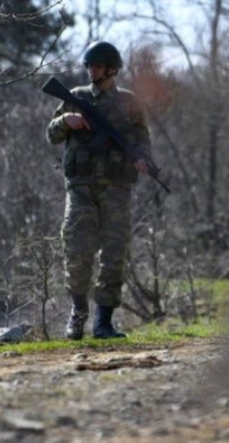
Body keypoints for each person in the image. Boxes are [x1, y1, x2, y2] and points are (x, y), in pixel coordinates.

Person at [46, 41, 152, 340]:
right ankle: (77, 315)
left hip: (118, 189)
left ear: (112, 69)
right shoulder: (75, 98)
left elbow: (143, 139)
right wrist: (65, 120)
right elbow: (51, 135)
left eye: (98, 66)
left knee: (115, 254)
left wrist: (144, 160)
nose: (92, 70)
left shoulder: (130, 103)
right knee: (77, 252)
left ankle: (103, 322)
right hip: (81, 188)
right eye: (89, 66)